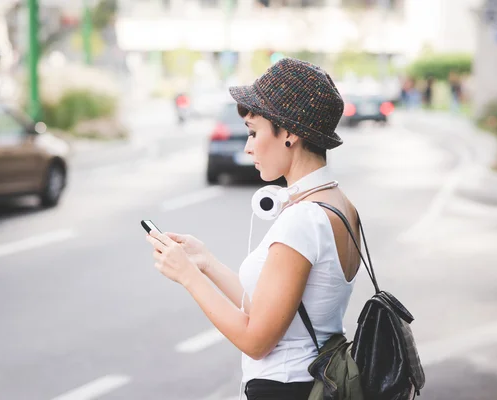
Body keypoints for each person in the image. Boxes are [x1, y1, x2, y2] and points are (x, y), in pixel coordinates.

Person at [145, 58, 362, 400]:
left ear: (289, 133)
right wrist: (207, 263)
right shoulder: (339, 203)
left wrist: (188, 276)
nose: (247, 146)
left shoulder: (303, 220)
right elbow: (271, 309)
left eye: (253, 131)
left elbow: (257, 340)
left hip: (286, 388)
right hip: (313, 384)